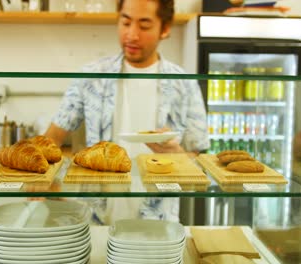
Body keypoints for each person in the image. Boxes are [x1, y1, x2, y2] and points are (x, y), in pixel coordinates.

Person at [45, 0, 209, 225]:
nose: (131, 35)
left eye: (144, 25)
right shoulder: (92, 76)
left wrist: (178, 156)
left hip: (158, 225)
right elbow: (51, 140)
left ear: (165, 28)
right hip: (96, 222)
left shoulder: (184, 84)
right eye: (125, 22)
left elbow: (200, 161)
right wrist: (42, 178)